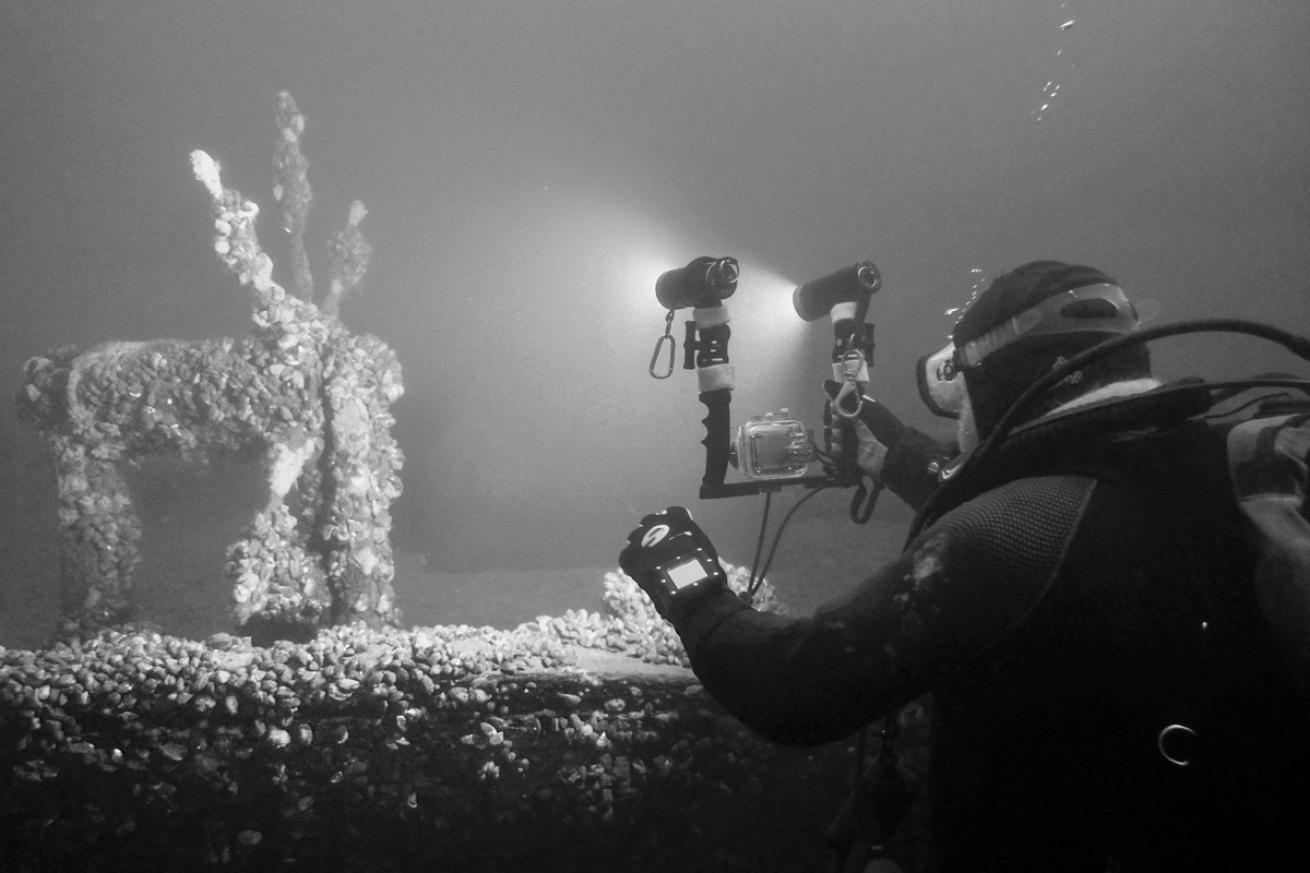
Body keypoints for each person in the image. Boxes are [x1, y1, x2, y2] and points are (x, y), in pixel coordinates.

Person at [620, 261, 1308, 872]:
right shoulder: (1226, 470)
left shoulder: (1007, 537)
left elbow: (797, 688)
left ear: (998, 383)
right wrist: (893, 455)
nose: (960, 419)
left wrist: (692, 589)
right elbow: (1052, 504)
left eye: (962, 397)